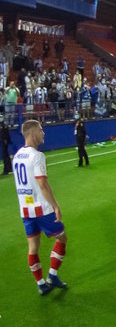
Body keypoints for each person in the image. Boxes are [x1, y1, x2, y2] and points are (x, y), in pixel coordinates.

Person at [12, 120, 68, 295]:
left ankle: (41, 284)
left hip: (26, 210)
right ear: (31, 133)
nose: (43, 133)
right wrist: (56, 206)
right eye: (41, 130)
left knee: (33, 248)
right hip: (42, 210)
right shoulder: (37, 156)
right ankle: (52, 275)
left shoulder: (17, 156)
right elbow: (42, 183)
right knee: (62, 238)